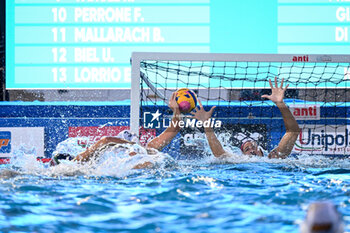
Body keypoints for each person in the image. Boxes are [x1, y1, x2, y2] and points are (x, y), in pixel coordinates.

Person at [51, 92, 182, 169]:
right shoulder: (82, 162)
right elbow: (106, 140)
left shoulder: (148, 150)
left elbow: (174, 129)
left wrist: (176, 111)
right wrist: (133, 145)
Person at [190, 77, 301, 159]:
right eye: (247, 150)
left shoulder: (273, 158)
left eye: (253, 147)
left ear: (261, 151)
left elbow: (293, 132)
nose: (252, 150)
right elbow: (219, 154)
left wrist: (280, 104)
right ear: (242, 154)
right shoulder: (240, 161)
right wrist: (206, 124)